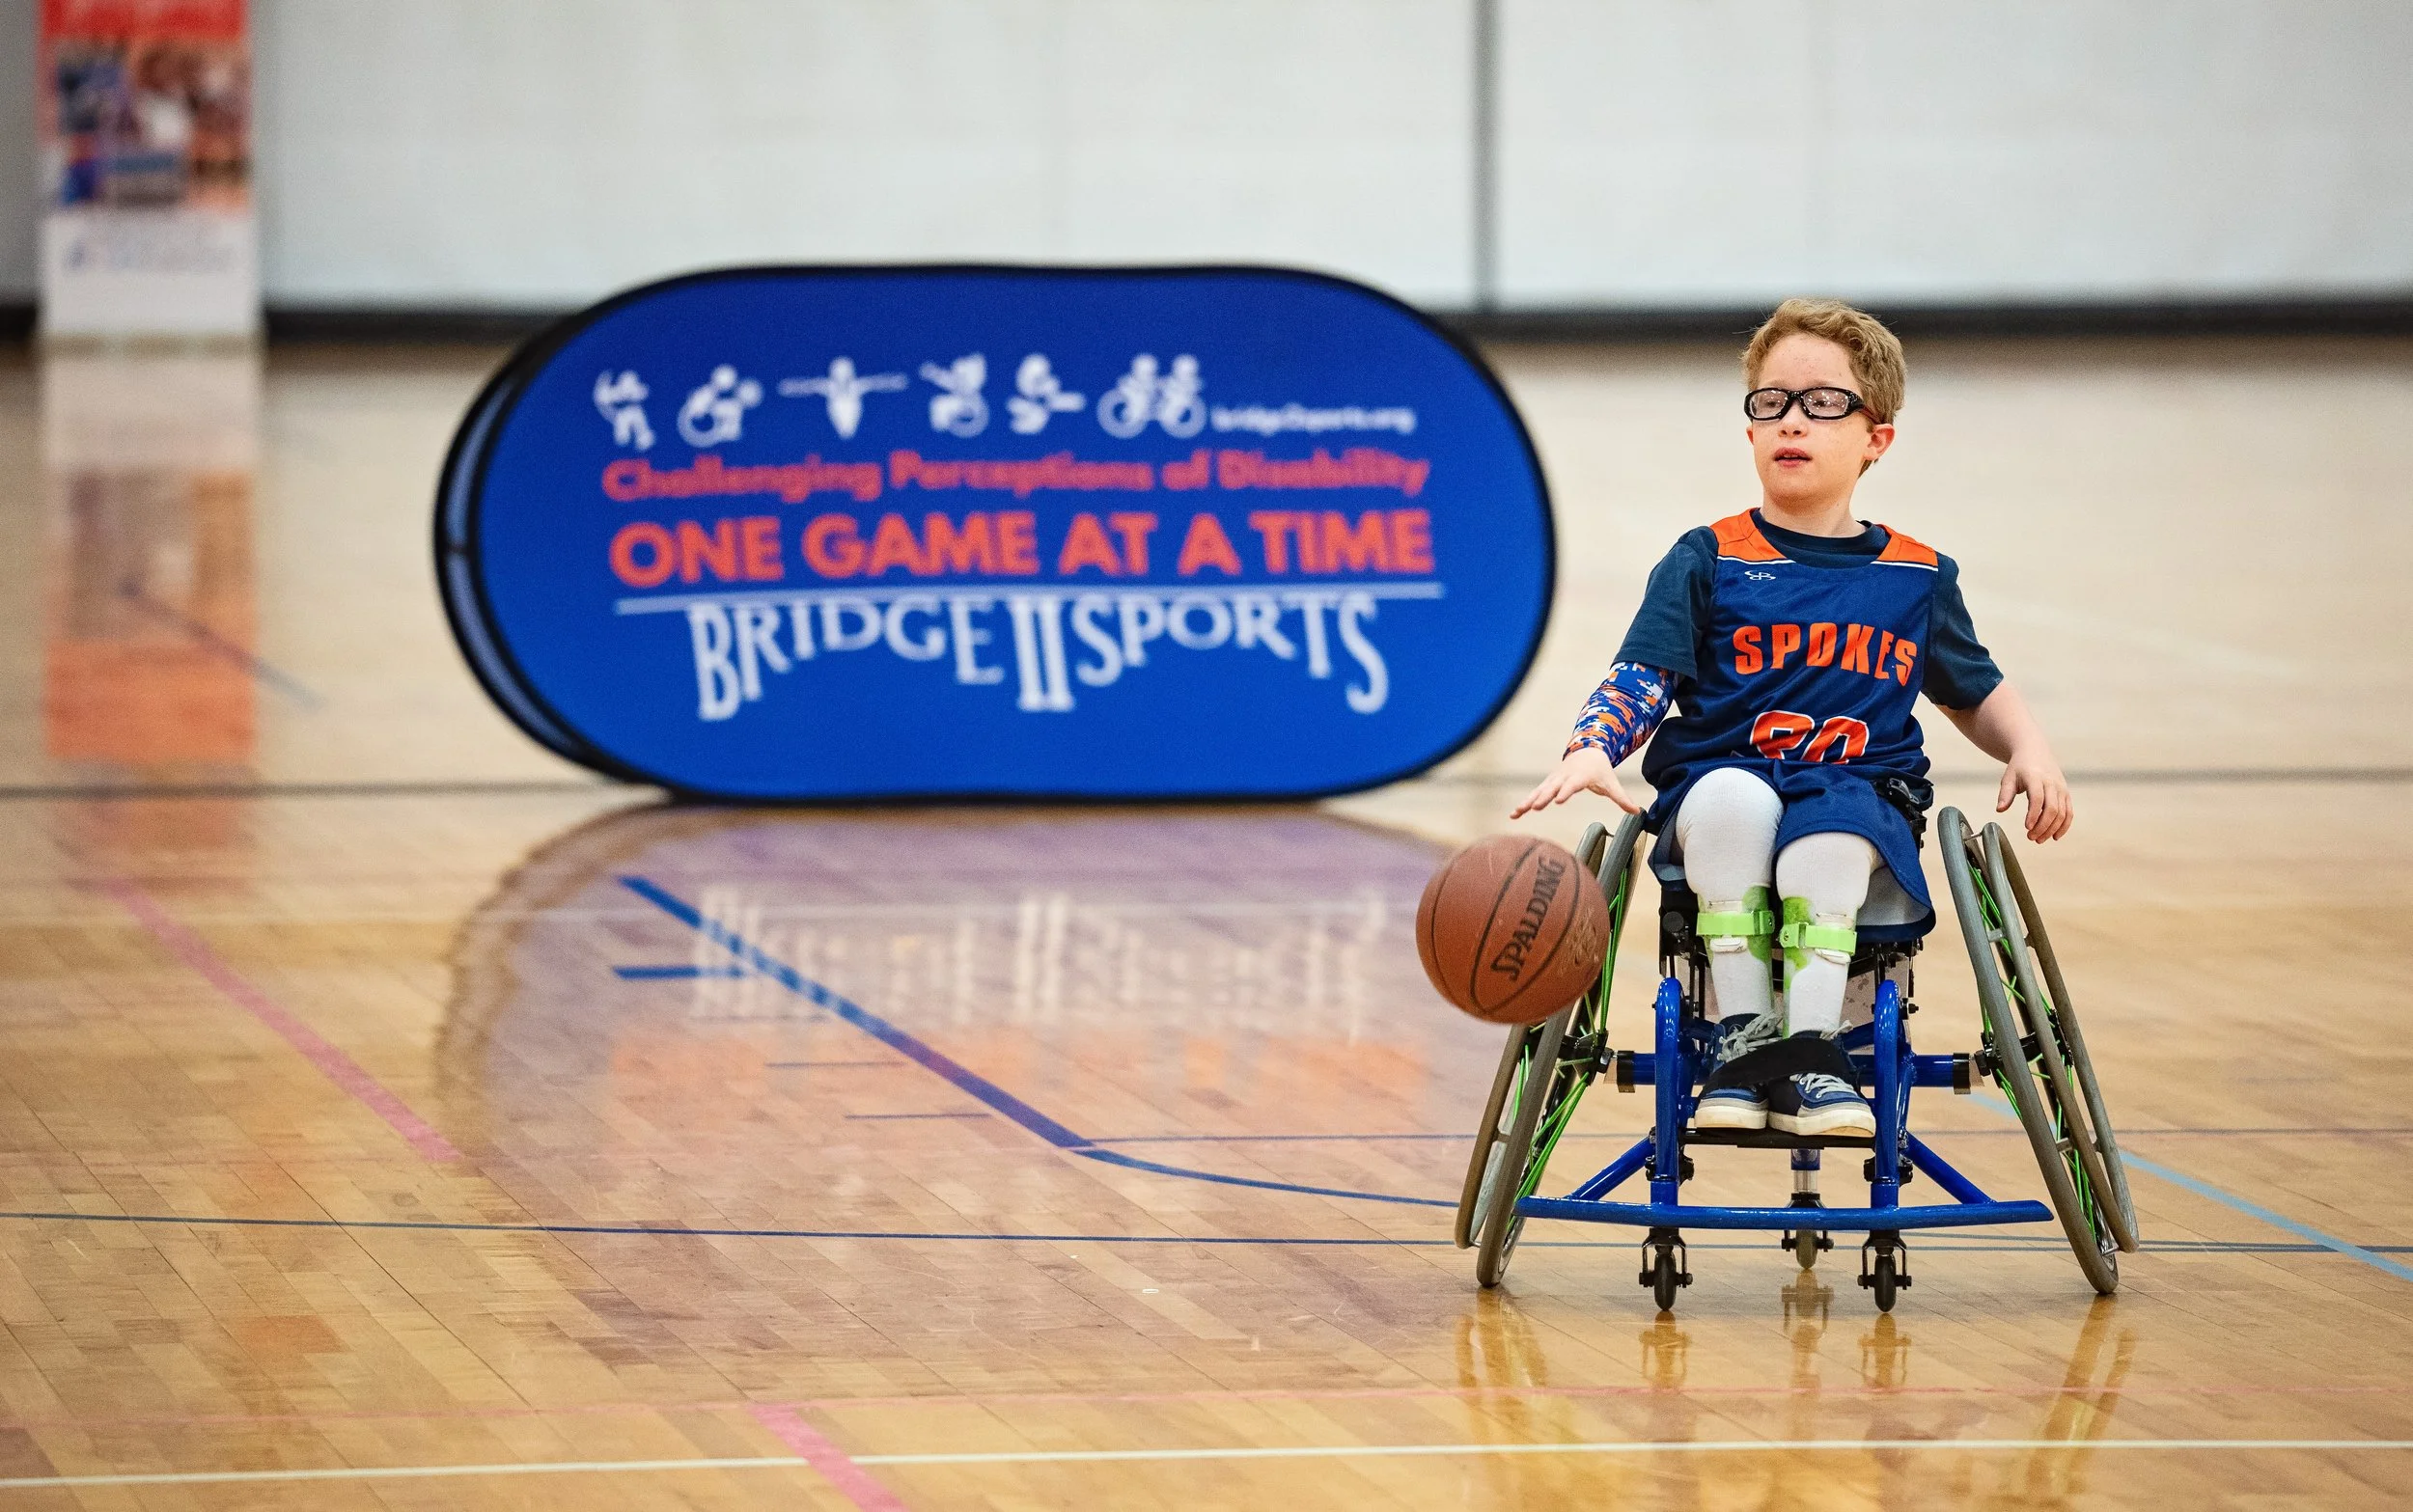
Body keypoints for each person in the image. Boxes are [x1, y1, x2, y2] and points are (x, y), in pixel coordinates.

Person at [1511, 298, 2072, 1139]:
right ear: (1749, 430)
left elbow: (1972, 688)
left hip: (1858, 795)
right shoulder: (1708, 556)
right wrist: (1594, 747)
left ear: (1875, 437)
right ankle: (1743, 1049)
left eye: (1824, 402)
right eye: (1770, 402)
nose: (1791, 421)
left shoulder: (1916, 576)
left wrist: (2029, 746)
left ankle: (1810, 1054)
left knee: (1834, 832)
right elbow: (1643, 675)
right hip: (1721, 790)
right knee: (1736, 797)